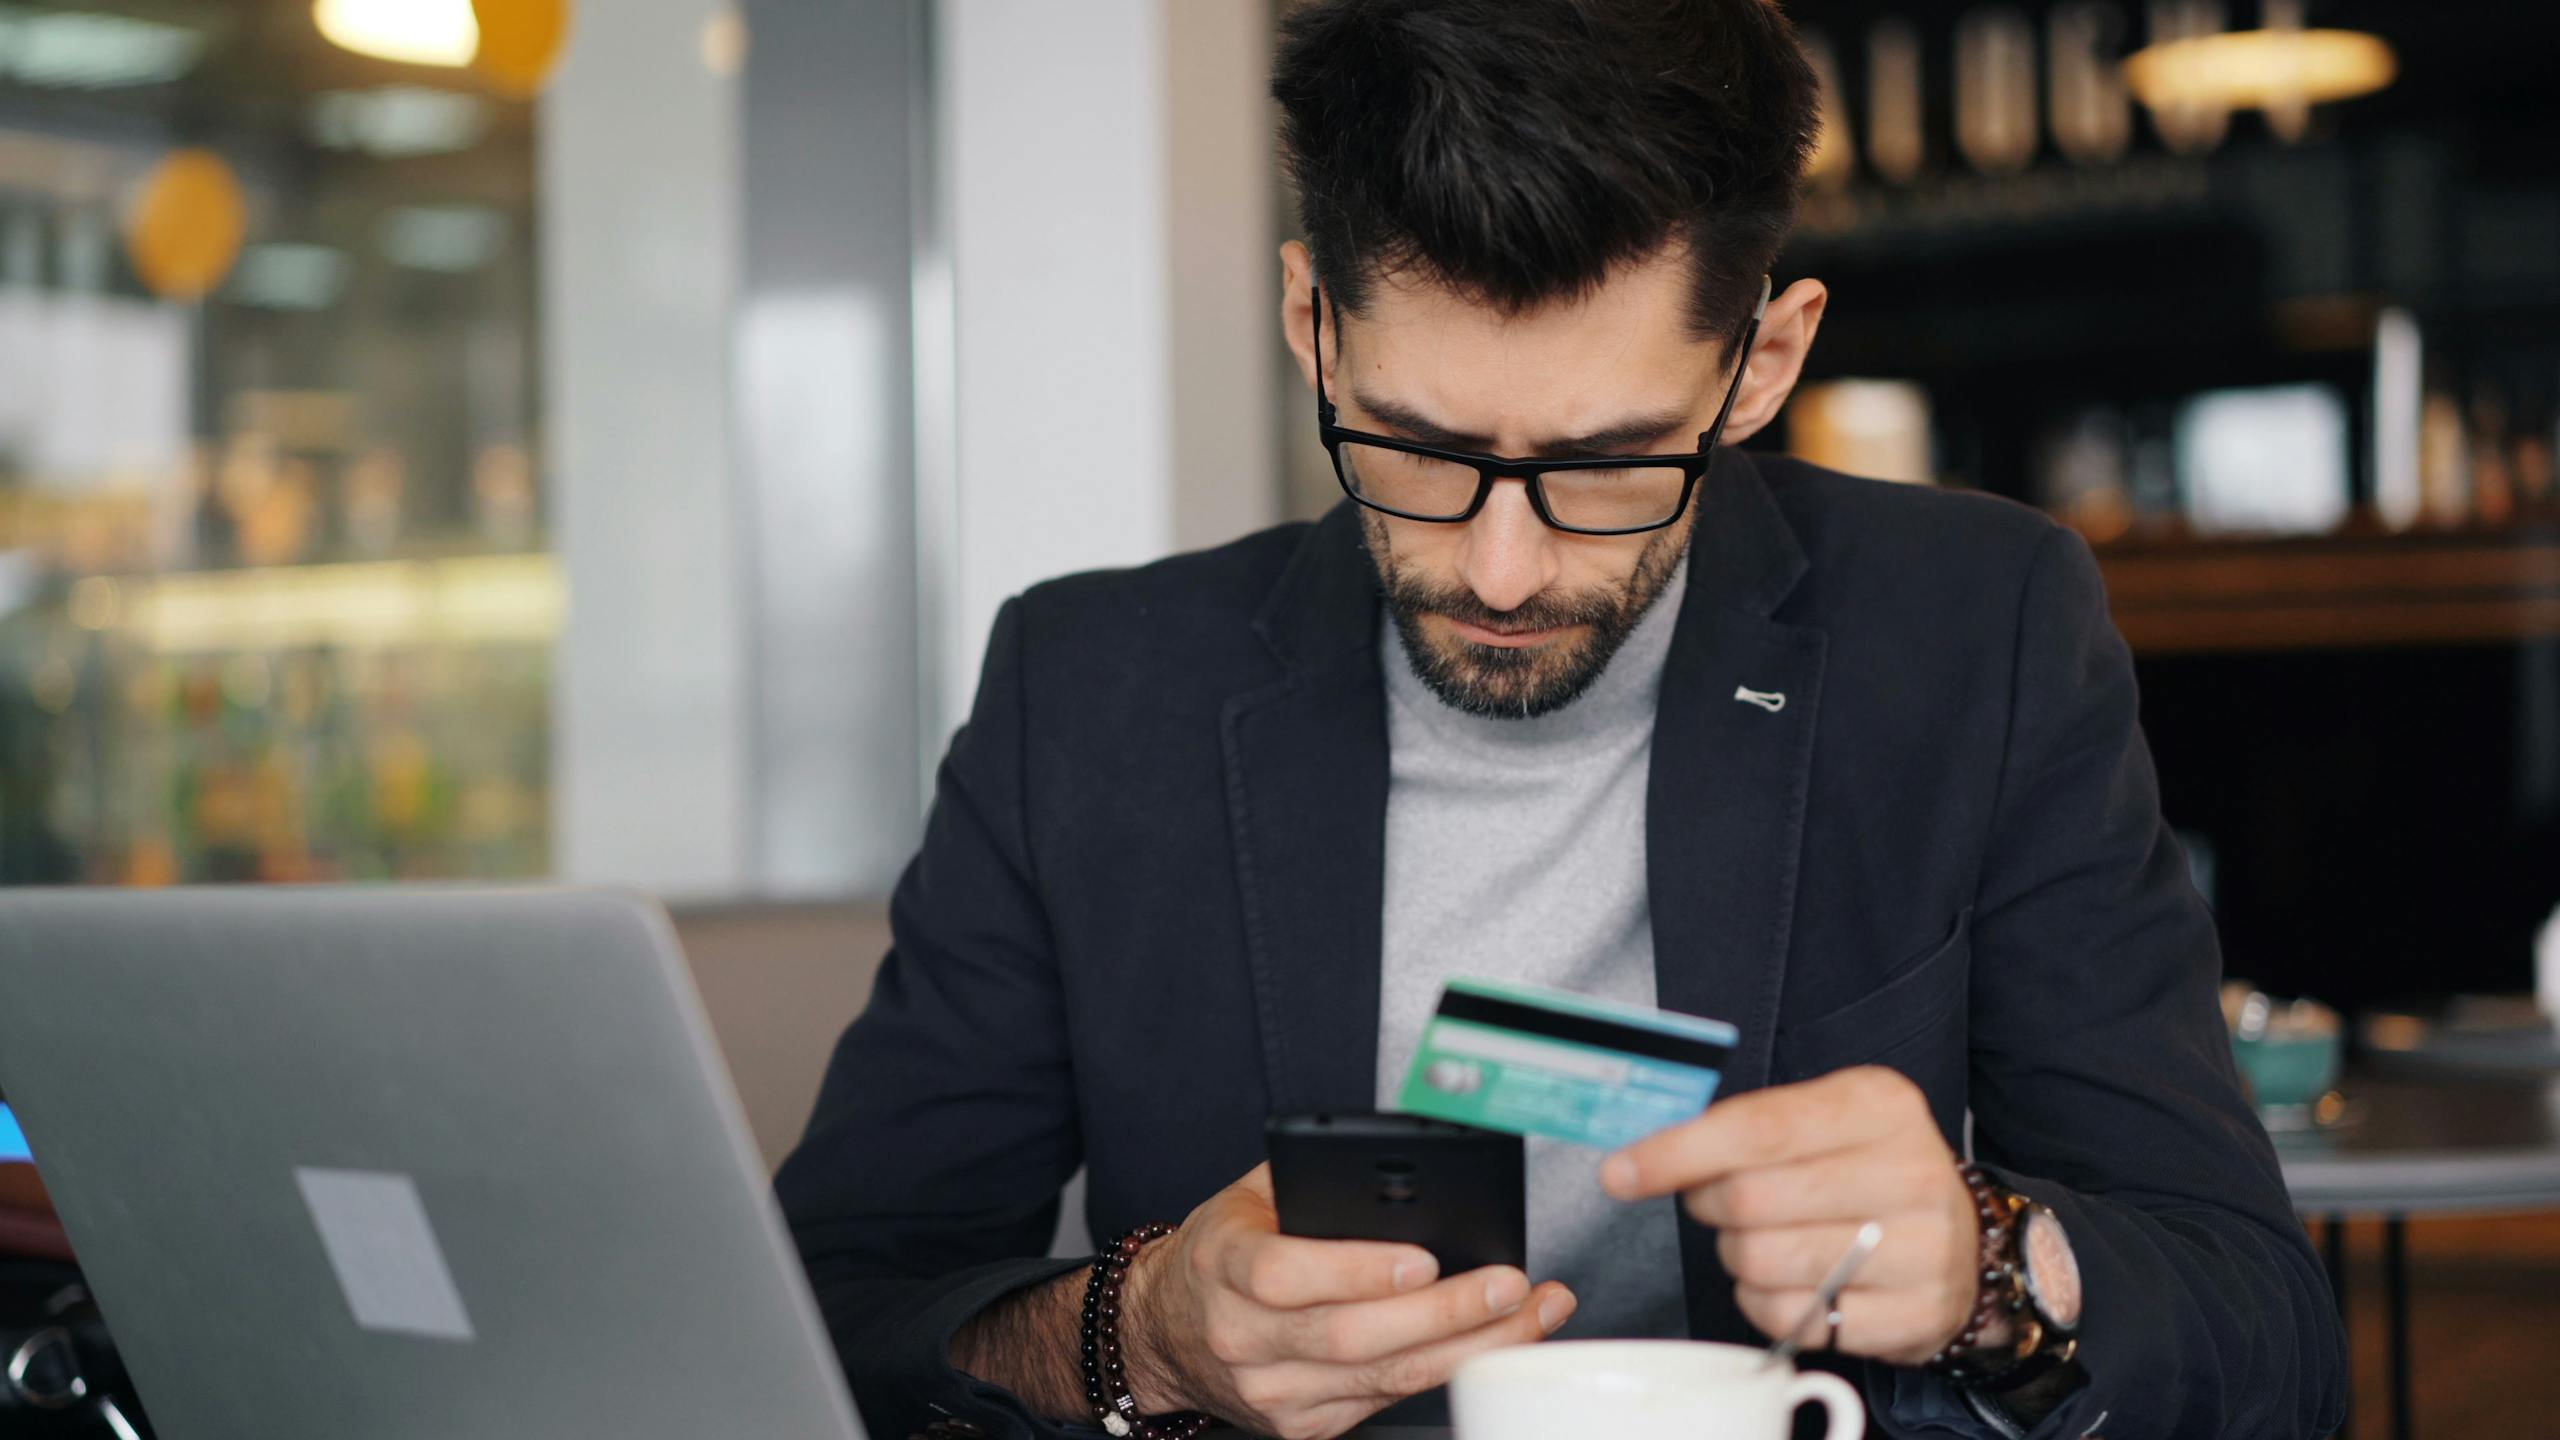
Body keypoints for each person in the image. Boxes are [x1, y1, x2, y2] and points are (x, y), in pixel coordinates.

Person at [776, 2, 2346, 1437]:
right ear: (1311, 322)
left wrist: (1998, 1268)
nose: (1503, 568)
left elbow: (2266, 1342)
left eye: (1608, 465)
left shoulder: (1974, 640)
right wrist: (1141, 1335)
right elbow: (822, 1323)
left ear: (1763, 364)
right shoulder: (1092, 692)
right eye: (1414, 447)